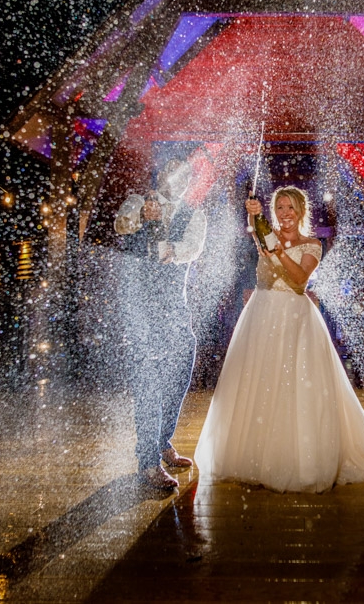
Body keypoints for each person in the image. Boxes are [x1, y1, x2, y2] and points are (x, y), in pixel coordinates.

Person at [194, 186, 364, 493]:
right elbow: (256, 224)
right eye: (280, 207)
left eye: (290, 208)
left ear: (301, 212)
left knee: (295, 385)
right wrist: (253, 211)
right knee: (259, 381)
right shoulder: (265, 236)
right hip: (260, 316)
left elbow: (299, 282)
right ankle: (255, 455)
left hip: (295, 319)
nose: (285, 213)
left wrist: (278, 251)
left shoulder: (312, 244)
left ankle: (298, 458)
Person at [114, 157, 206, 490]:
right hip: (140, 306)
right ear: (162, 175)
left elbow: (194, 248)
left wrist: (167, 248)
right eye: (171, 171)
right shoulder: (140, 200)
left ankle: (163, 439)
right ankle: (148, 462)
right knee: (149, 376)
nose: (177, 178)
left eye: (184, 173)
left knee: (182, 363)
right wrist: (141, 216)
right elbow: (120, 225)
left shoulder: (195, 214)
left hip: (174, 305)